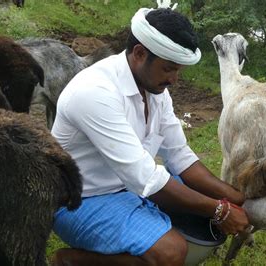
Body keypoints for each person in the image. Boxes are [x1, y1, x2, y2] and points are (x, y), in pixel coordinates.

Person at [50, 3, 250, 266]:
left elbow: (180, 157)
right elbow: (146, 179)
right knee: (171, 252)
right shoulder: (94, 93)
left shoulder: (155, 90)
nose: (175, 80)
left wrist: (235, 198)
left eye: (178, 70)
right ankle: (73, 261)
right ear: (139, 53)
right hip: (79, 201)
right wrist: (220, 210)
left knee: (204, 206)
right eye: (169, 69)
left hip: (126, 188)